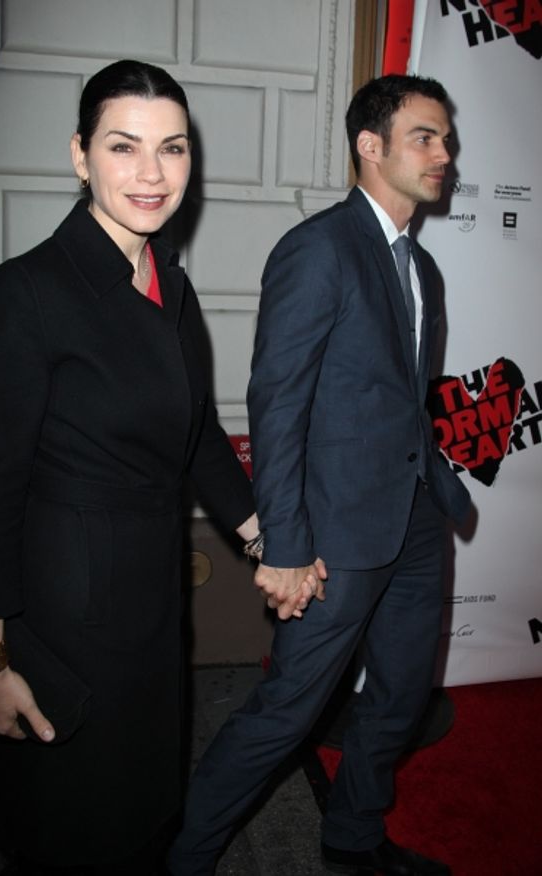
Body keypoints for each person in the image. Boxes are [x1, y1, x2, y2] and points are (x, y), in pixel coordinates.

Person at [0, 60, 259, 875]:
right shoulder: (26, 292)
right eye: (124, 146)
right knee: (75, 830)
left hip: (153, 604)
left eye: (173, 148)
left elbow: (197, 436)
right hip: (66, 618)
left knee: (145, 810)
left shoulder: (170, 284)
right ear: (80, 155)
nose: (152, 173)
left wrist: (268, 538)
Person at [167, 74, 472, 876]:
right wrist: (287, 544)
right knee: (289, 710)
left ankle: (353, 838)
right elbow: (277, 405)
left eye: (446, 138)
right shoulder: (319, 249)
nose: (444, 154)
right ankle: (185, 857)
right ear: (370, 146)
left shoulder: (422, 269)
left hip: (414, 520)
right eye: (425, 137)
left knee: (400, 696)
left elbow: (400, 400)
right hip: (336, 534)